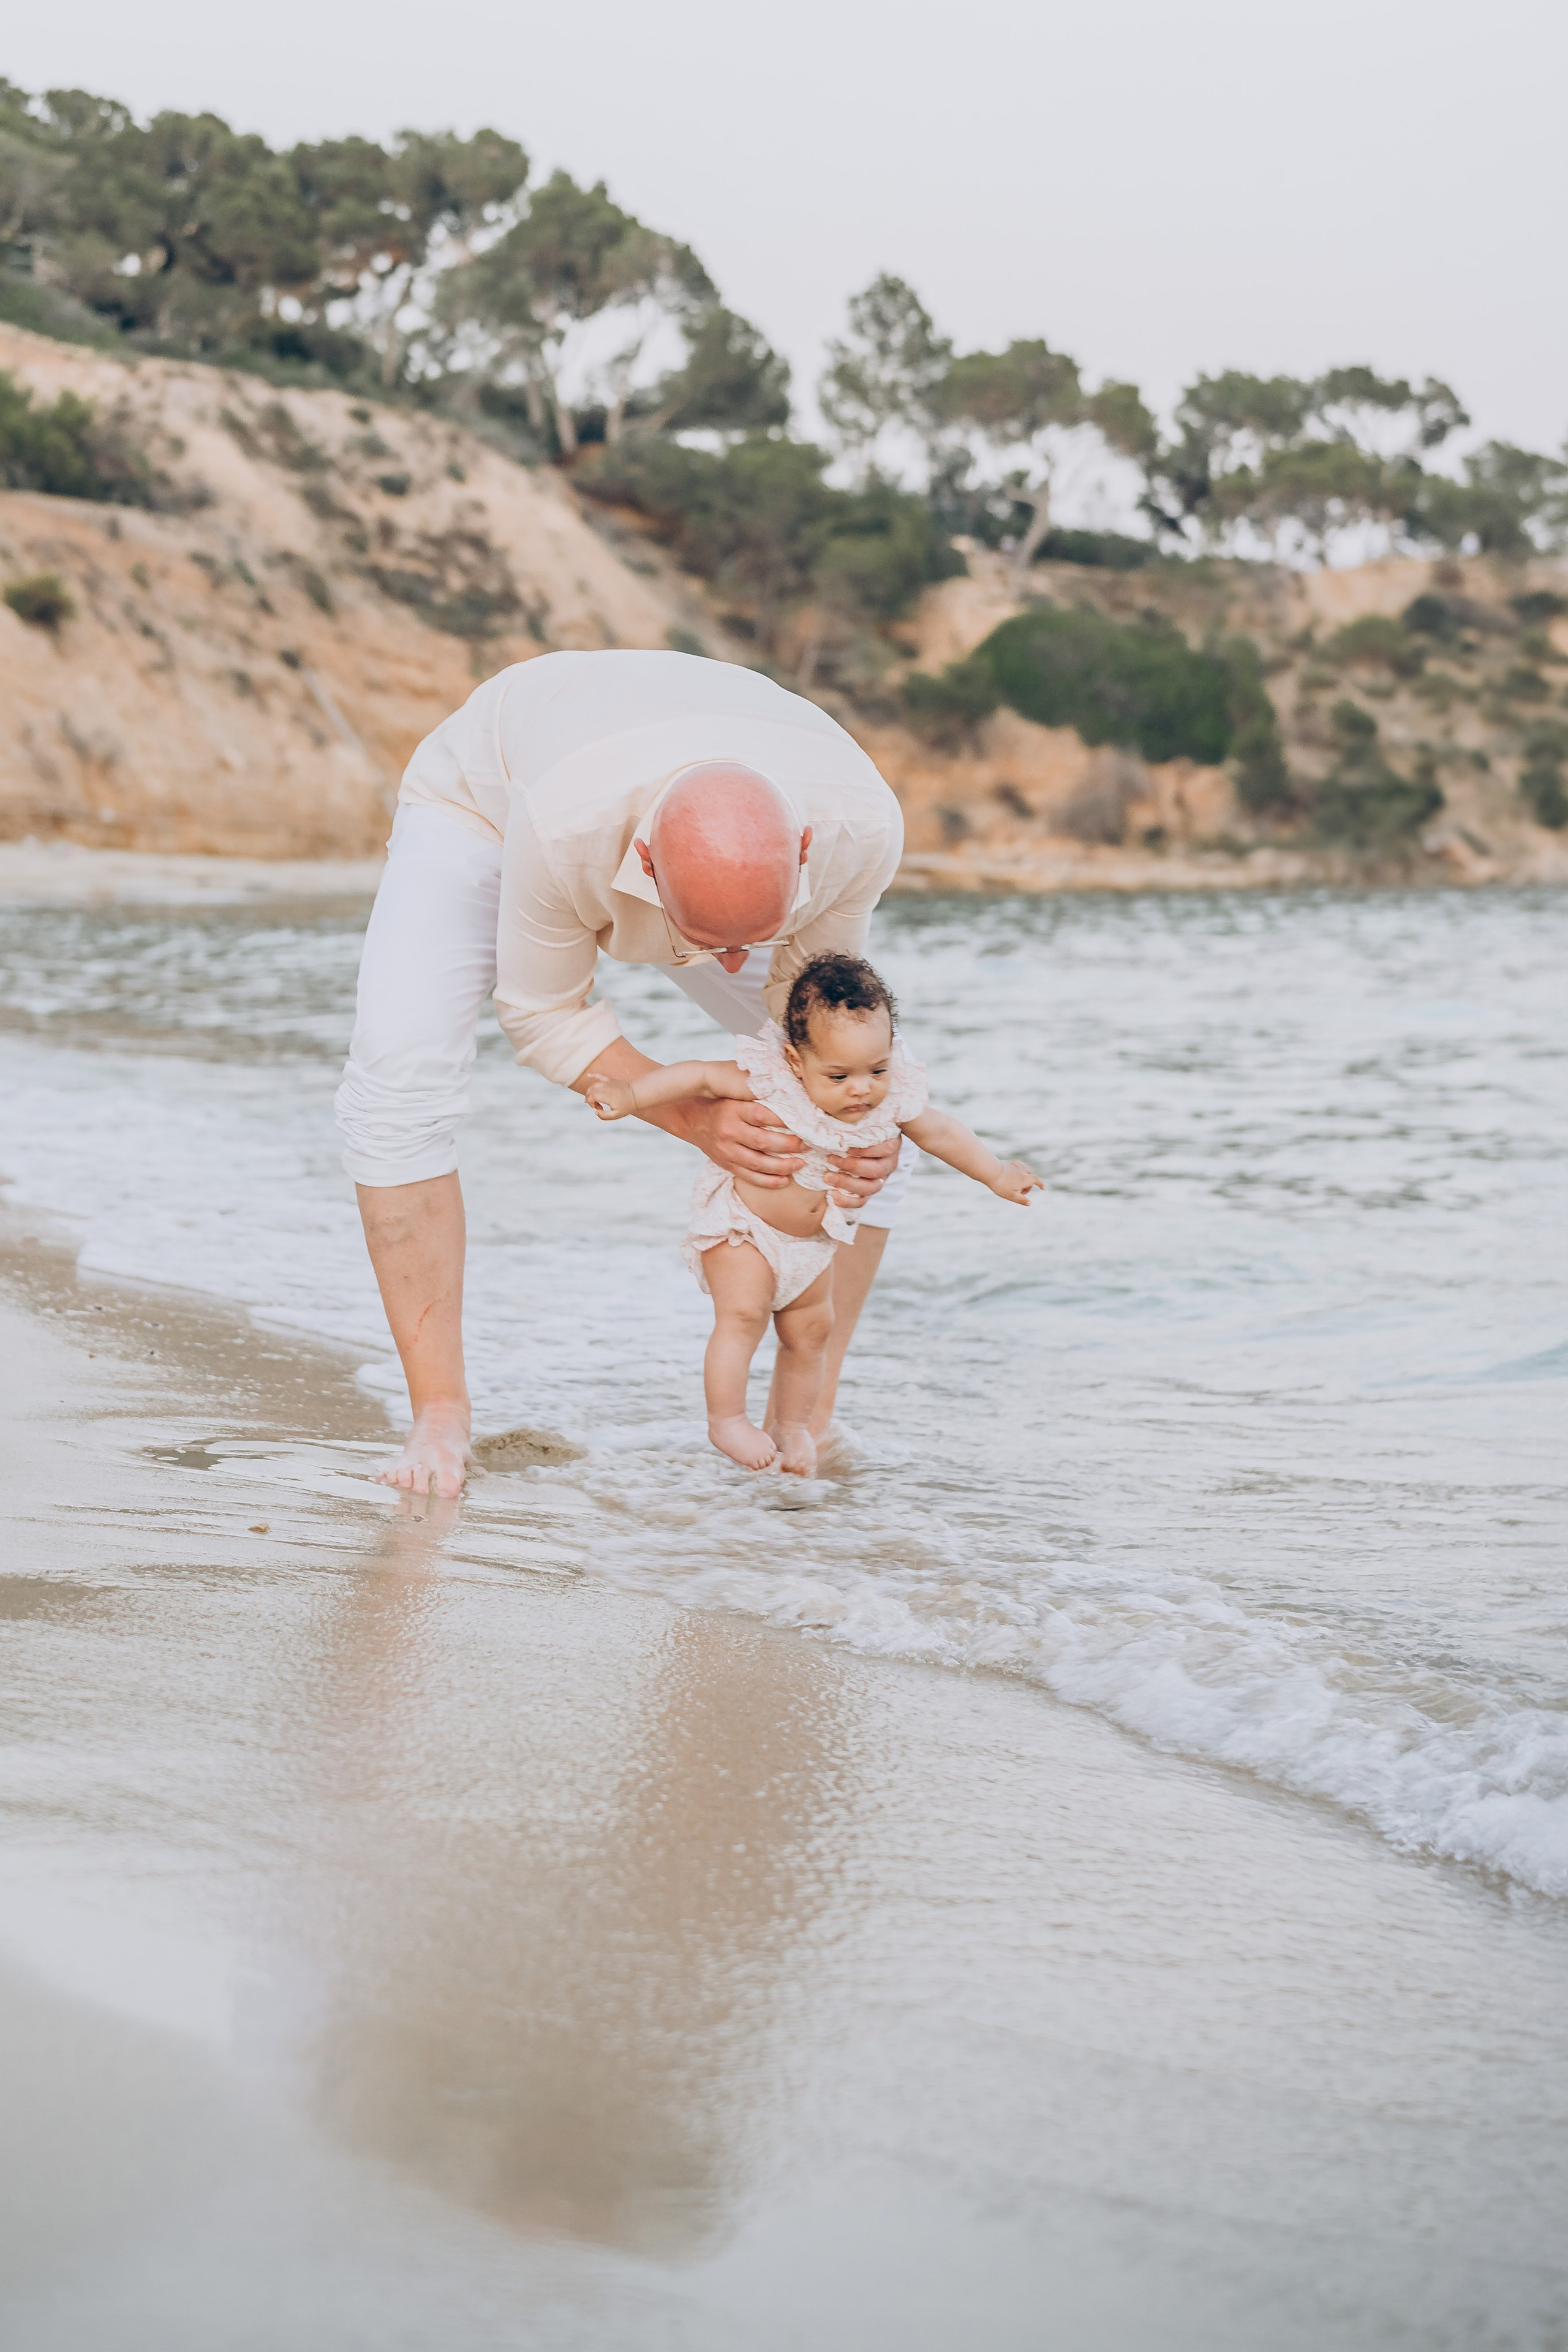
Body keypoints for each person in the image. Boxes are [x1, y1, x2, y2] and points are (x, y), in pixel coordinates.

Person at [335, 649, 911, 1497]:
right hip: (490, 801)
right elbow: (542, 1011)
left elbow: (811, 1038)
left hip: (697, 774)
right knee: (396, 1072)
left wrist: (845, 1127)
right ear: (643, 865)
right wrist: (695, 1116)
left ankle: (806, 1415)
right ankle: (440, 1415)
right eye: (713, 943)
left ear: (803, 851)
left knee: (869, 1099)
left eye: (751, 938)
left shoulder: (859, 829)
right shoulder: (569, 827)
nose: (733, 963)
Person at [583, 953, 1043, 1476]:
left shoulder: (889, 1102)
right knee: (744, 1316)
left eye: (877, 1070)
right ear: (797, 1062)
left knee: (811, 1333)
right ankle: (727, 1421)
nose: (861, 1088)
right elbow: (701, 1077)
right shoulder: (775, 1084)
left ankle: (793, 1425)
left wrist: (996, 1174)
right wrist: (630, 1093)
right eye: (840, 1074)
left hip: (813, 1246)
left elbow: (942, 1134)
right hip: (746, 1232)